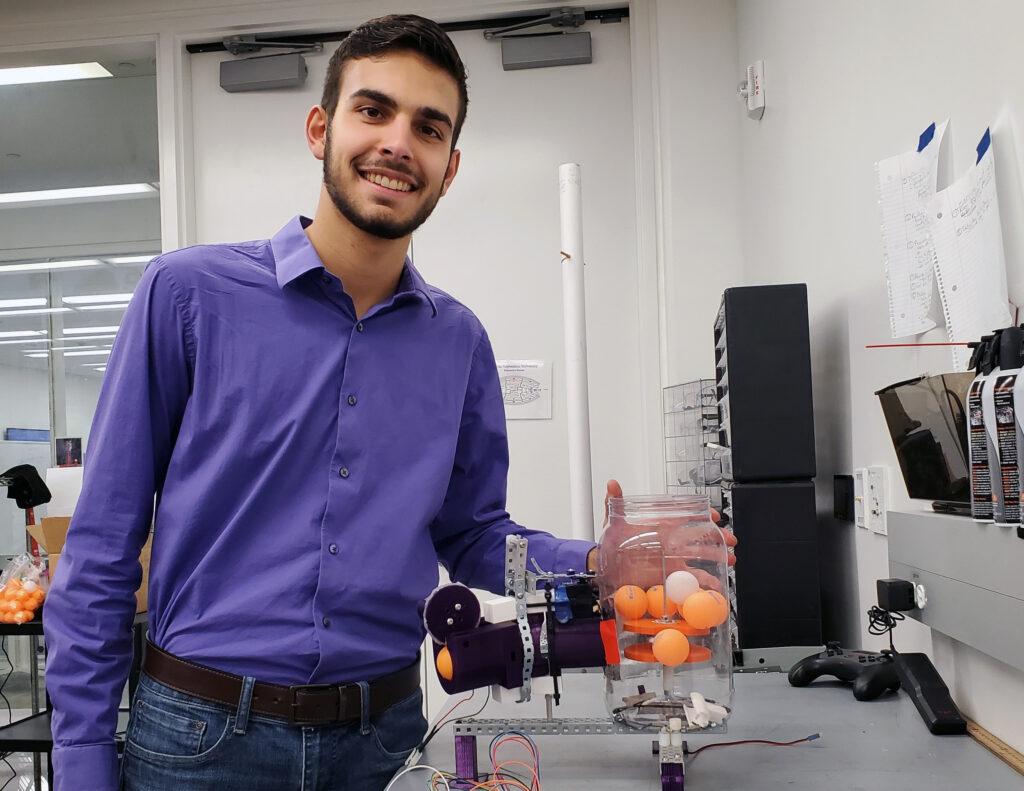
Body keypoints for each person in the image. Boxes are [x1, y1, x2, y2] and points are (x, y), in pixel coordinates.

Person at [44, 14, 604, 791]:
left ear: (449, 168)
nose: (398, 143)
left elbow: (475, 535)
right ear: (320, 128)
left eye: (428, 128)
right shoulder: (187, 296)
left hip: (384, 743)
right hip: (201, 741)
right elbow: (104, 544)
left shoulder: (458, 341)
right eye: (373, 110)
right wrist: (80, 758)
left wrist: (601, 564)